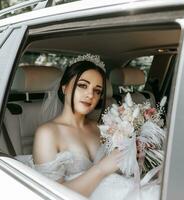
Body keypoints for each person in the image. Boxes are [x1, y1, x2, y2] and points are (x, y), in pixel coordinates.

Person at [16, 54, 160, 200]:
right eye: (82, 85)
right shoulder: (47, 133)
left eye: (97, 91)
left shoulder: (103, 128)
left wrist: (135, 157)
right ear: (64, 88)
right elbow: (49, 195)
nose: (90, 94)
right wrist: (101, 169)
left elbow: (119, 171)